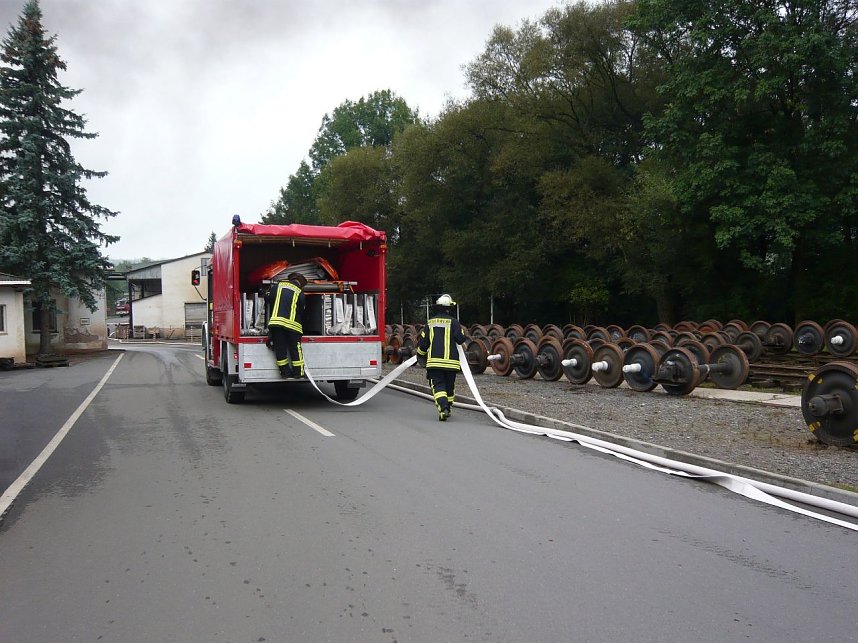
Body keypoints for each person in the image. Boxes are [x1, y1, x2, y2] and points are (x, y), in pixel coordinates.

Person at [416, 294, 468, 421]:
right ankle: (448, 408)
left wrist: (420, 355)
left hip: (435, 363)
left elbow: (423, 343)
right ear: (449, 308)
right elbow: (460, 339)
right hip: (451, 363)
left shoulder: (430, 323)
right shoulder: (454, 322)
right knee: (449, 386)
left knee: (438, 386)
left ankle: (443, 407)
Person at [267, 272, 307, 378]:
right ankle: (299, 373)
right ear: (300, 284)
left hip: (276, 324)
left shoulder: (277, 286)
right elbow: (301, 310)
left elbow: (269, 299)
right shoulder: (299, 292)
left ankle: (285, 373)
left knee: (280, 349)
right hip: (293, 326)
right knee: (295, 349)